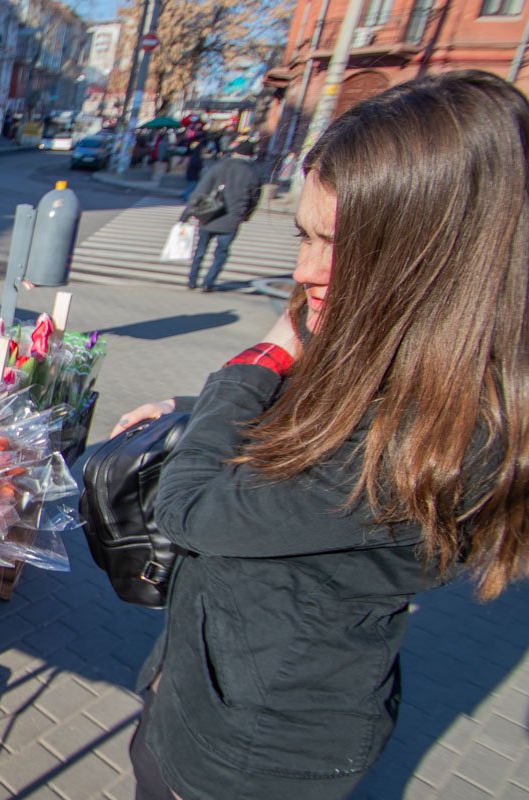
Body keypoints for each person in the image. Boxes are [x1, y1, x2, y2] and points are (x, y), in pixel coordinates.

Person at [114, 70, 529, 800]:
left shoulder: (429, 436)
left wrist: (262, 355)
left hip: (249, 751)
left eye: (333, 244)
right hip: (216, 687)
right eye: (303, 237)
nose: (306, 274)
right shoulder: (404, 368)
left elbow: (190, 511)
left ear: (437, 256)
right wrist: (191, 406)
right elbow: (305, 430)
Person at [180, 139, 261, 291]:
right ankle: (208, 283)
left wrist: (188, 212)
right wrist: (245, 215)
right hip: (232, 219)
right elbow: (254, 199)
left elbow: (200, 191)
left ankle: (192, 280)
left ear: (236, 152)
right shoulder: (252, 173)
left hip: (209, 215)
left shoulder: (219, 167)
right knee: (221, 253)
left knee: (200, 250)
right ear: (251, 156)